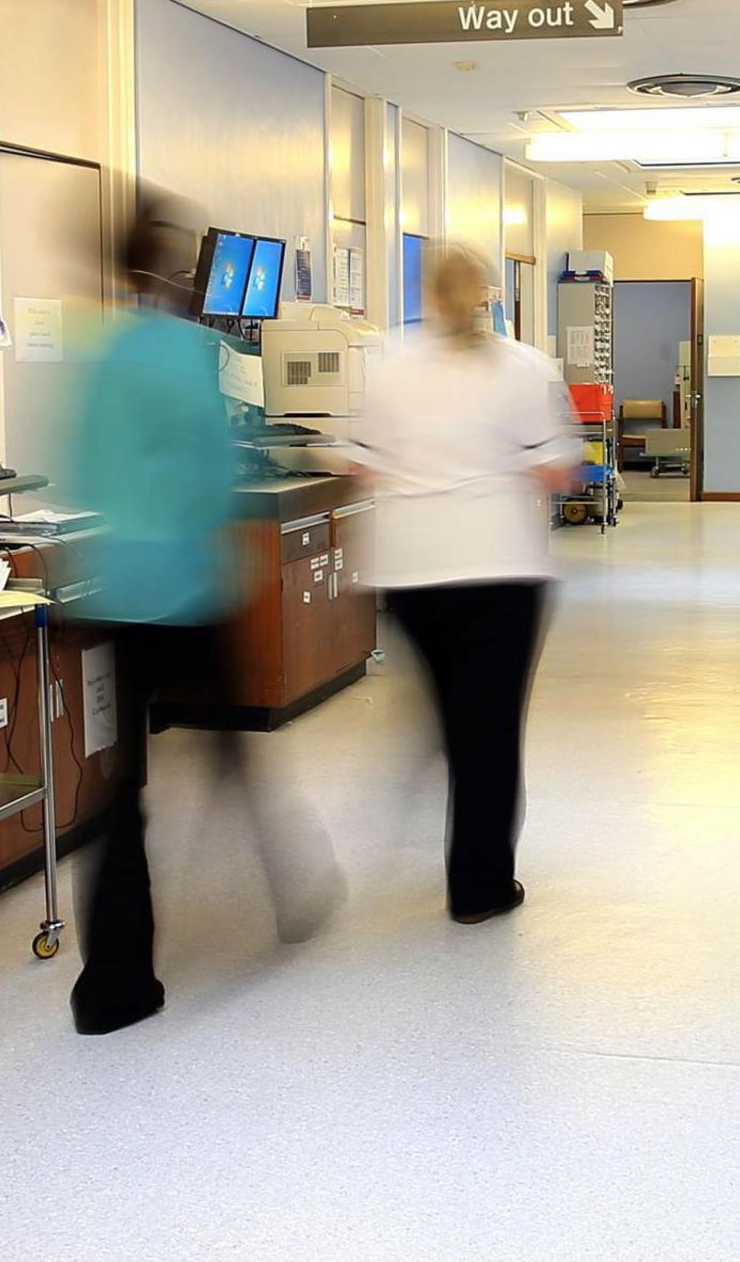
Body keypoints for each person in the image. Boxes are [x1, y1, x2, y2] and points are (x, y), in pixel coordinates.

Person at [59, 193, 344, 1036]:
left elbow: (79, 470)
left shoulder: (101, 356)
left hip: (116, 588)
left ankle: (113, 983)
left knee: (117, 789)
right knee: (235, 751)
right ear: (180, 270)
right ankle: (293, 889)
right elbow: (217, 470)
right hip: (185, 586)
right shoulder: (191, 353)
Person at [346, 245, 578, 923]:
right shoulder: (523, 366)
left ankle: (448, 750)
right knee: (492, 731)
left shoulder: (389, 360)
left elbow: (360, 463)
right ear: (486, 295)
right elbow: (560, 470)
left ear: (428, 293)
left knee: (460, 716)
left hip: (412, 576)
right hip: (499, 570)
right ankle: (479, 888)